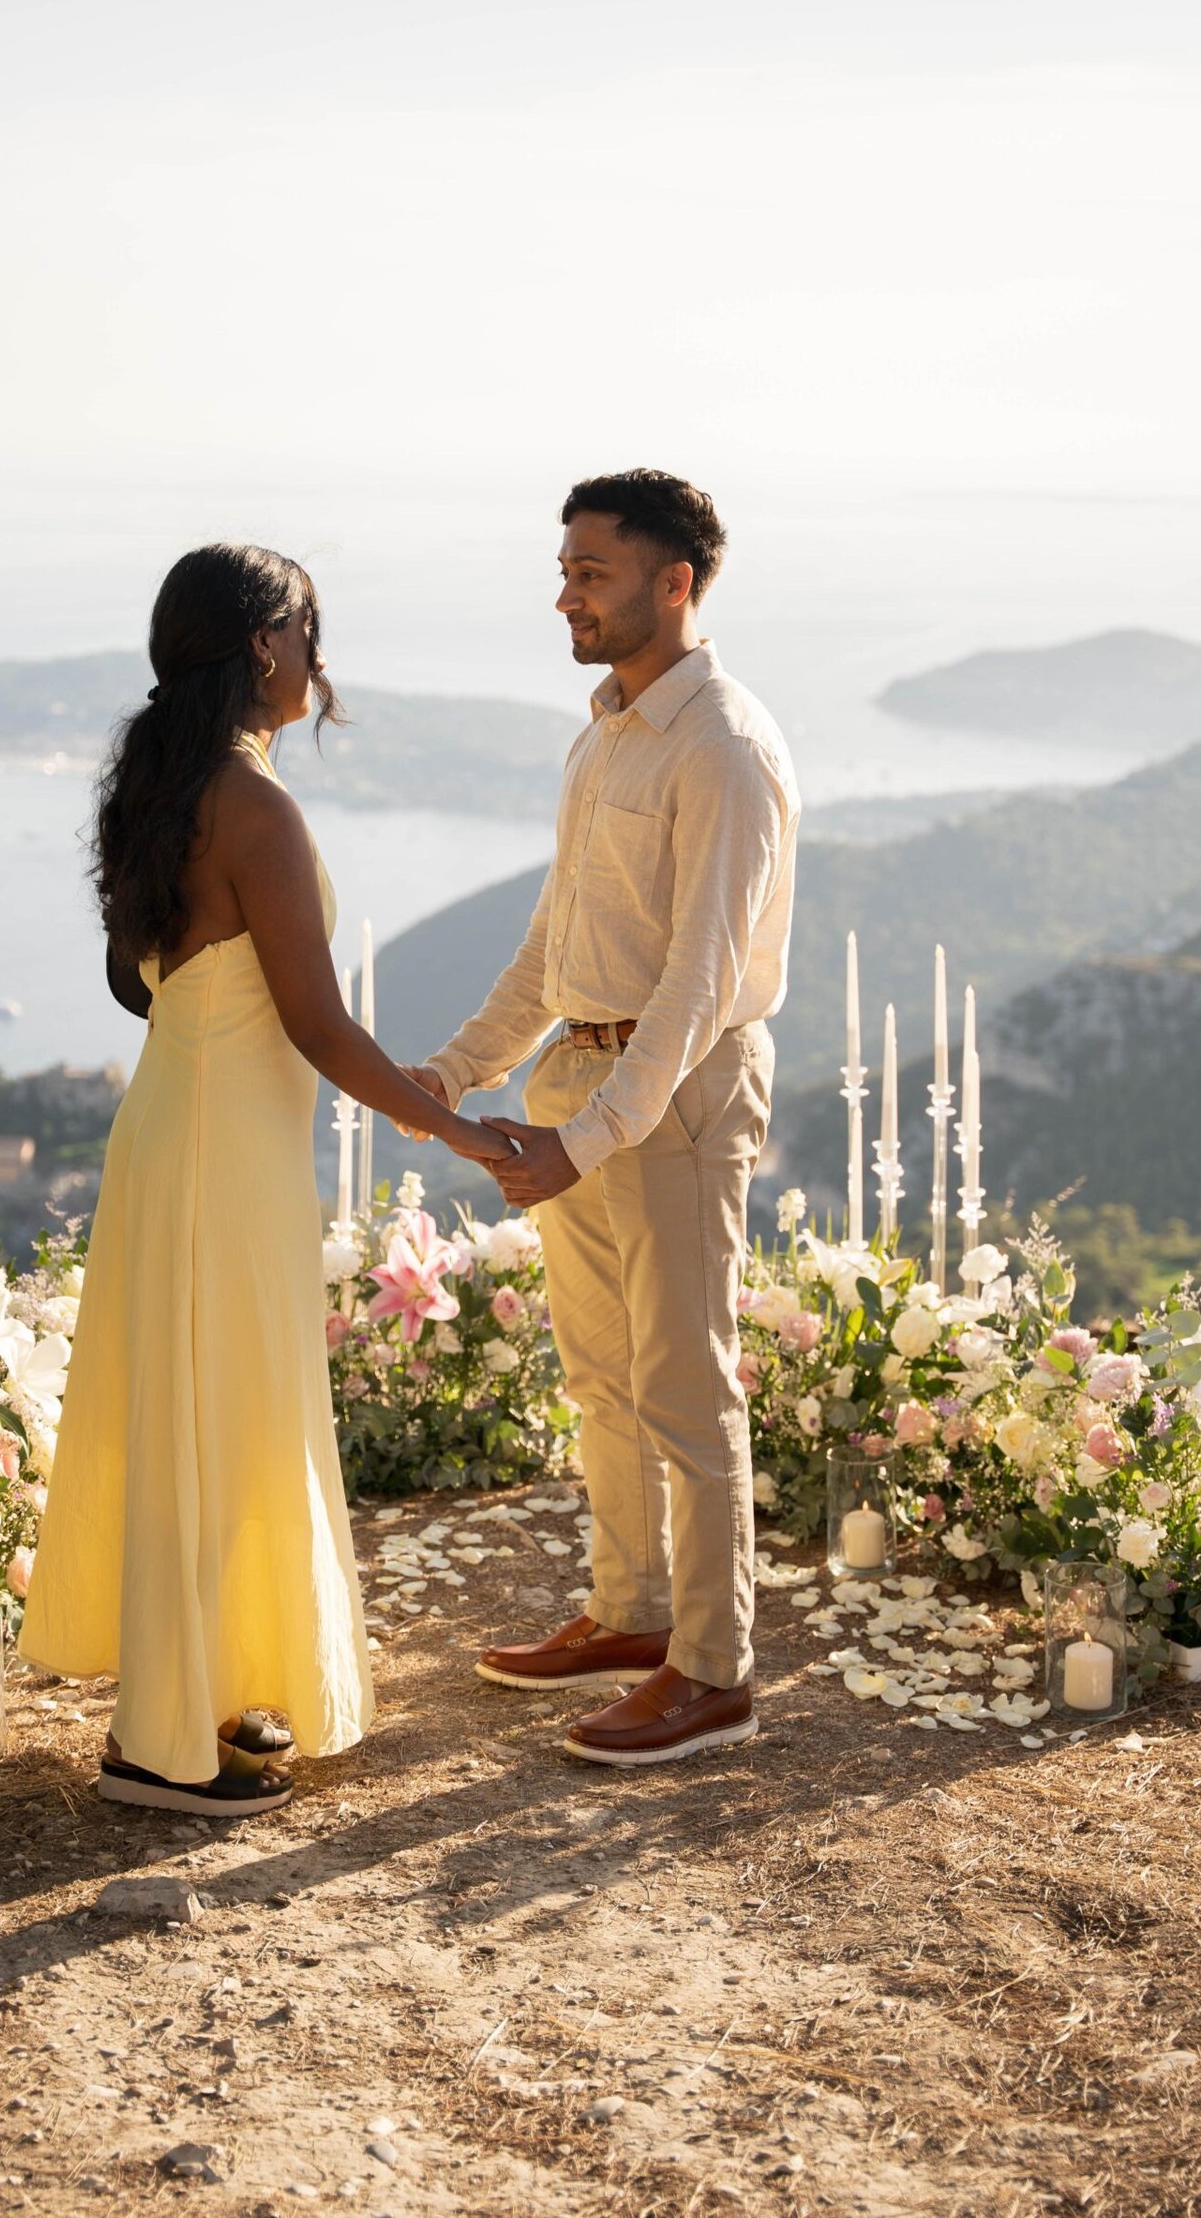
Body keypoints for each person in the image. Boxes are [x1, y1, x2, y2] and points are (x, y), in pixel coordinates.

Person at [18, 544, 510, 1817]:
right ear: (261, 648)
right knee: (221, 1410)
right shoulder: (254, 808)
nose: (320, 660)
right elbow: (319, 1025)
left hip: (180, 1123)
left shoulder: (165, 785)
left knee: (209, 1411)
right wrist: (457, 1130)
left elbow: (148, 981)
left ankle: (212, 1699)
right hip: (221, 1152)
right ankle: (158, 1749)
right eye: (309, 632)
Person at [403, 470, 800, 1767]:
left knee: (687, 1384)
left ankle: (716, 1671)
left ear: (674, 582)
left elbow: (694, 988)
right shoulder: (604, 735)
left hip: (675, 1096)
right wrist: (457, 1071)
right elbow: (551, 942)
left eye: (591, 571)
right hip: (578, 1073)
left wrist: (578, 1142)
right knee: (604, 1378)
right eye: (565, 567)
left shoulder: (725, 748)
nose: (564, 591)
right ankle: (632, 1618)